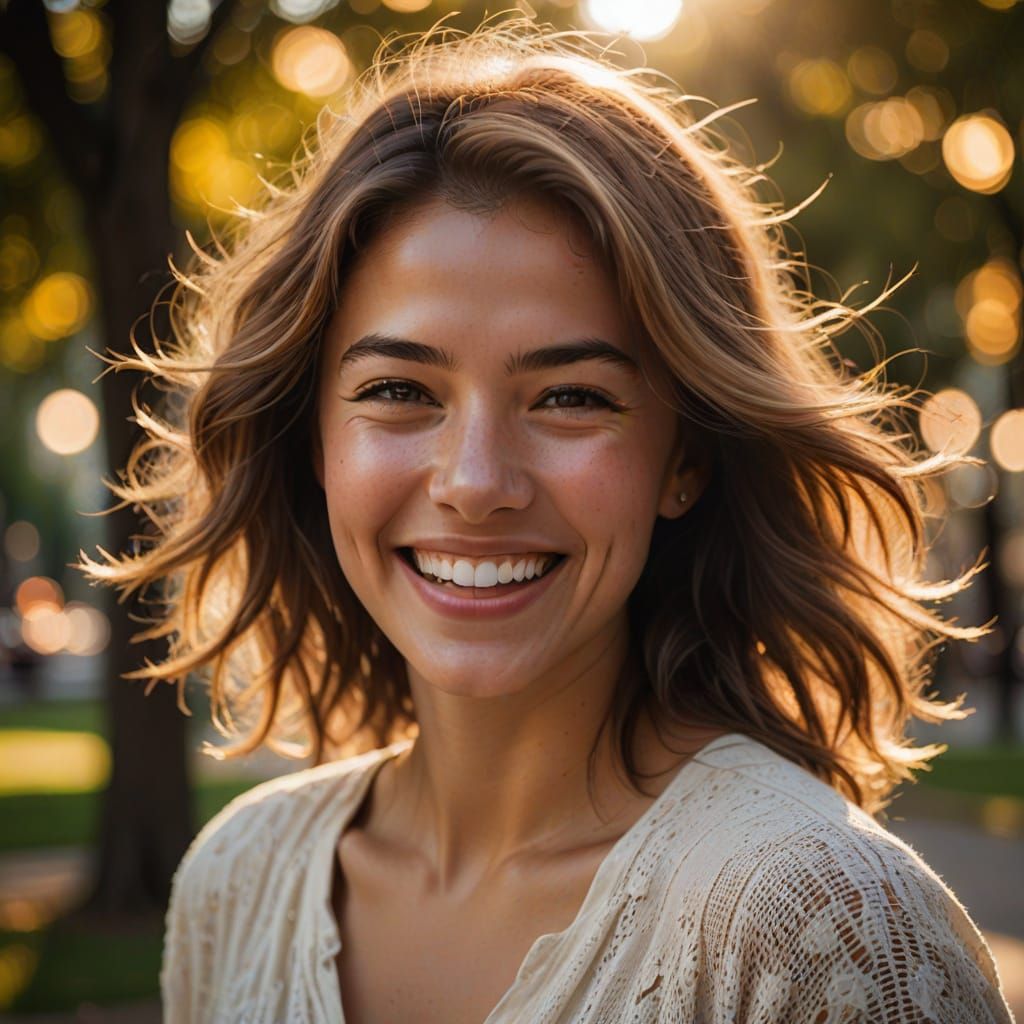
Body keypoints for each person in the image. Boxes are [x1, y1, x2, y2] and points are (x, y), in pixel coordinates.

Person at [78, 17, 1016, 1024]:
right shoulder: (237, 883)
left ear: (684, 457)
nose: (476, 482)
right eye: (399, 389)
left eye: (570, 397)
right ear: (313, 442)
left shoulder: (811, 919)